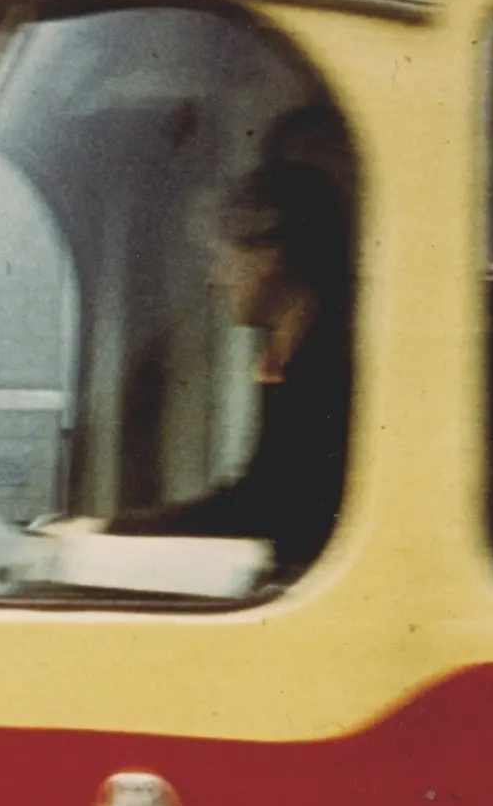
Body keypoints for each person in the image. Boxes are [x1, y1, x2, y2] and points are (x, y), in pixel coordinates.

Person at [107, 157, 355, 570]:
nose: (216, 278)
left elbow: (262, 505)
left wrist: (124, 529)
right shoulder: (285, 353)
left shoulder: (326, 364)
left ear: (271, 256)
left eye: (225, 257)